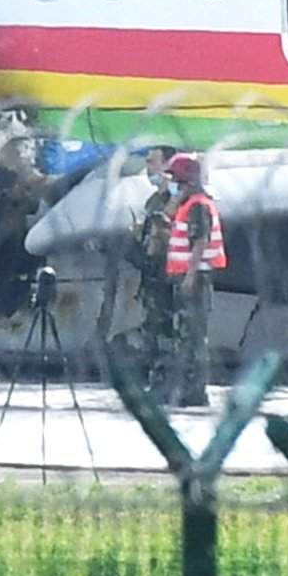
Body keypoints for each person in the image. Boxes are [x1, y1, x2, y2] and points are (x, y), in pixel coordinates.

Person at [164, 153, 225, 408]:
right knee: (186, 334)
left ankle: (195, 391)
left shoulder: (198, 205)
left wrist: (189, 275)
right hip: (189, 276)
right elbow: (168, 216)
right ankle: (187, 387)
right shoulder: (187, 203)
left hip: (196, 278)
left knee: (194, 335)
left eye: (176, 180)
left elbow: (199, 241)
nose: (173, 184)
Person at [127, 145, 178, 398]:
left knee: (167, 328)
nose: (148, 167)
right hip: (152, 272)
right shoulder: (154, 200)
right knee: (153, 327)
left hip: (169, 272)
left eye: (152, 162)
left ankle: (167, 380)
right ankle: (156, 378)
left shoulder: (176, 198)